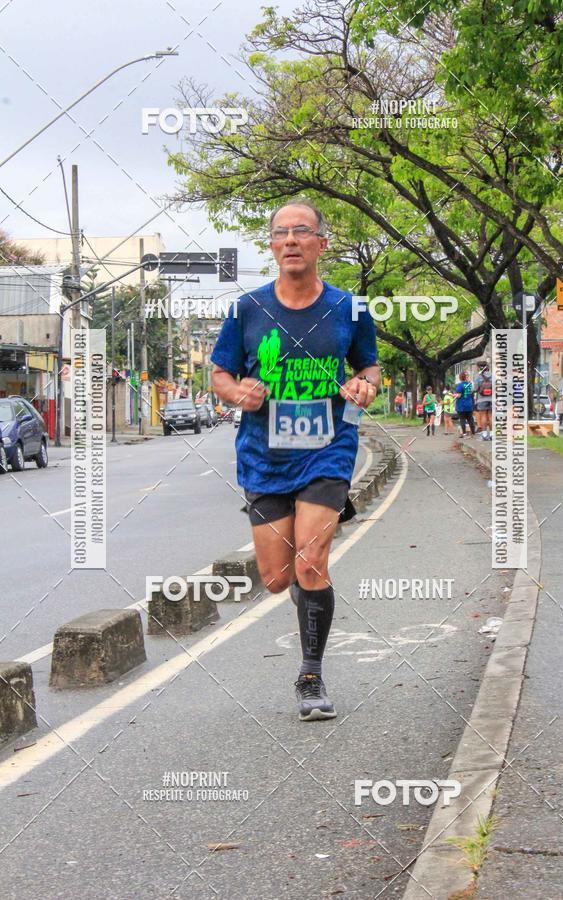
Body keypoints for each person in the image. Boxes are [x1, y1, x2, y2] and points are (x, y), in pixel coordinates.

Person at [210, 198, 380, 721]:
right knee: (279, 576)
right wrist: (239, 394)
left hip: (327, 449)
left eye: (301, 231)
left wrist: (363, 386)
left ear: (320, 244)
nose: (290, 240)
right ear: (272, 246)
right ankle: (308, 575)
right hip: (264, 456)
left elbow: (370, 370)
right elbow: (218, 376)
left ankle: (311, 675)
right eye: (281, 232)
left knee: (311, 562)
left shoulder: (351, 309)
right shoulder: (246, 310)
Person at [474, 361, 493, 440]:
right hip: (492, 399)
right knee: (491, 416)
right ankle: (492, 434)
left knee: (483, 416)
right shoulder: (493, 375)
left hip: (482, 399)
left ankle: (484, 435)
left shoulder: (478, 376)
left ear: (479, 367)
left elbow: (475, 388)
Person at [454, 371, 476, 437]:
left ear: (460, 378)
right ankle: (473, 433)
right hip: (469, 404)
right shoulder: (470, 385)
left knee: (462, 419)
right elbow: (472, 393)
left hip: (461, 405)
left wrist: (453, 395)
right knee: (470, 419)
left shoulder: (460, 385)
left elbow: (459, 395)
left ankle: (464, 433)